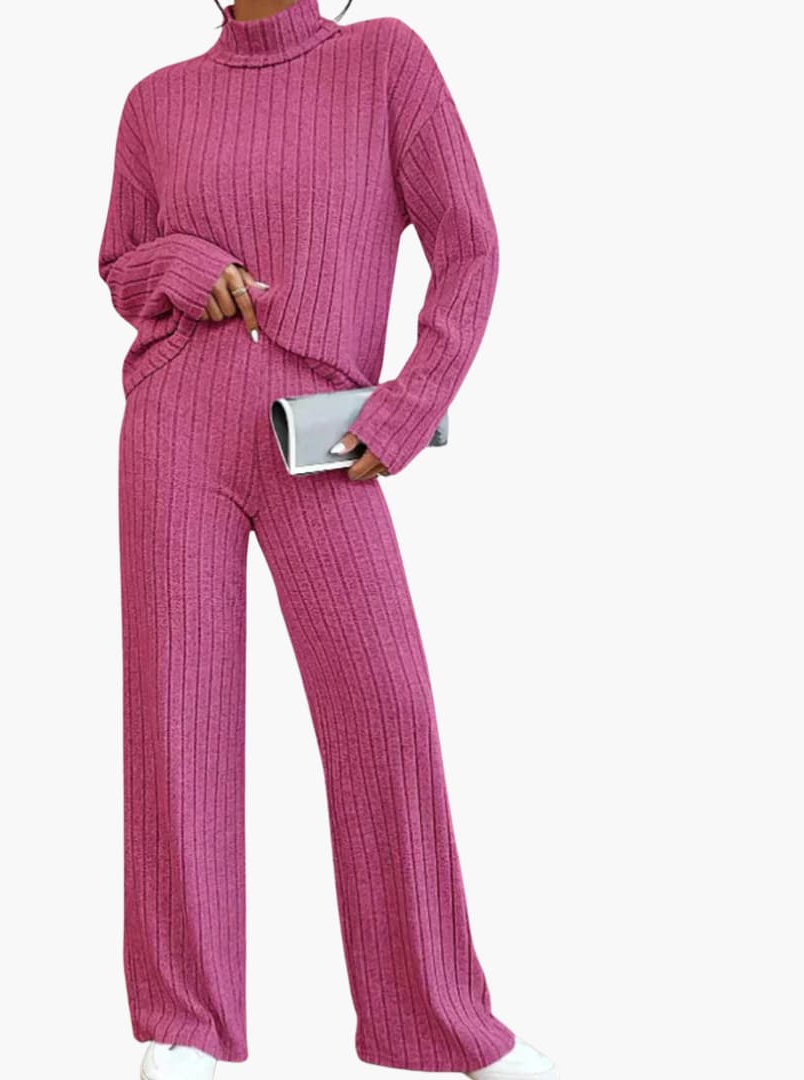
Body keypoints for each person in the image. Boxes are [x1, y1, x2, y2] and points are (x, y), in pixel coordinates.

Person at [97, 2, 558, 1078]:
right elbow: (118, 265)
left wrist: (407, 406)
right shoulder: (155, 101)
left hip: (326, 435)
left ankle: (436, 1022)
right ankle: (184, 1027)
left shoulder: (385, 60)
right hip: (174, 421)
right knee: (177, 715)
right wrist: (178, 263)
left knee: (383, 708)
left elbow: (470, 246)